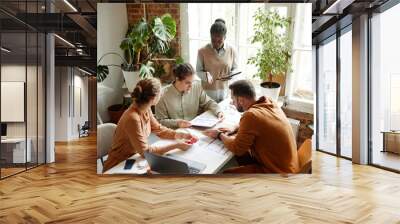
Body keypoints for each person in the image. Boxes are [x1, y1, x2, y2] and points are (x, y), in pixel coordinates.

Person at [203, 80, 299, 173]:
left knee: (226, 173)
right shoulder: (268, 102)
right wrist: (235, 128)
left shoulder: (251, 115)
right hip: (290, 165)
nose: (232, 103)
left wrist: (219, 135)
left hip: (278, 173)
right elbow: (254, 123)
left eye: (233, 99)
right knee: (242, 156)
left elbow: (237, 148)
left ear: (241, 100)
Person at [103, 78, 197, 172]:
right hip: (118, 166)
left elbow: (158, 129)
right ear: (153, 98)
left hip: (135, 159)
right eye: (160, 93)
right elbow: (146, 152)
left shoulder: (146, 109)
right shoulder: (132, 118)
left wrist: (181, 135)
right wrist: (176, 145)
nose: (161, 95)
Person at [155, 63, 224, 129]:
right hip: (175, 132)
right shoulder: (162, 95)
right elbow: (160, 121)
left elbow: (208, 102)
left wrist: (218, 111)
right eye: (187, 83)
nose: (191, 86)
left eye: (192, 82)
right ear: (177, 79)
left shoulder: (197, 86)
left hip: (195, 129)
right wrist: (177, 123)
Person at [196, 18, 239, 103]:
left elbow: (236, 68)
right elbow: (198, 71)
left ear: (225, 37)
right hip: (207, 94)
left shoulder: (232, 50)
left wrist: (231, 75)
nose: (216, 43)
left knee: (223, 115)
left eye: (219, 41)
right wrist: (206, 75)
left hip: (225, 93)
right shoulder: (202, 51)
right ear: (210, 36)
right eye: (213, 40)